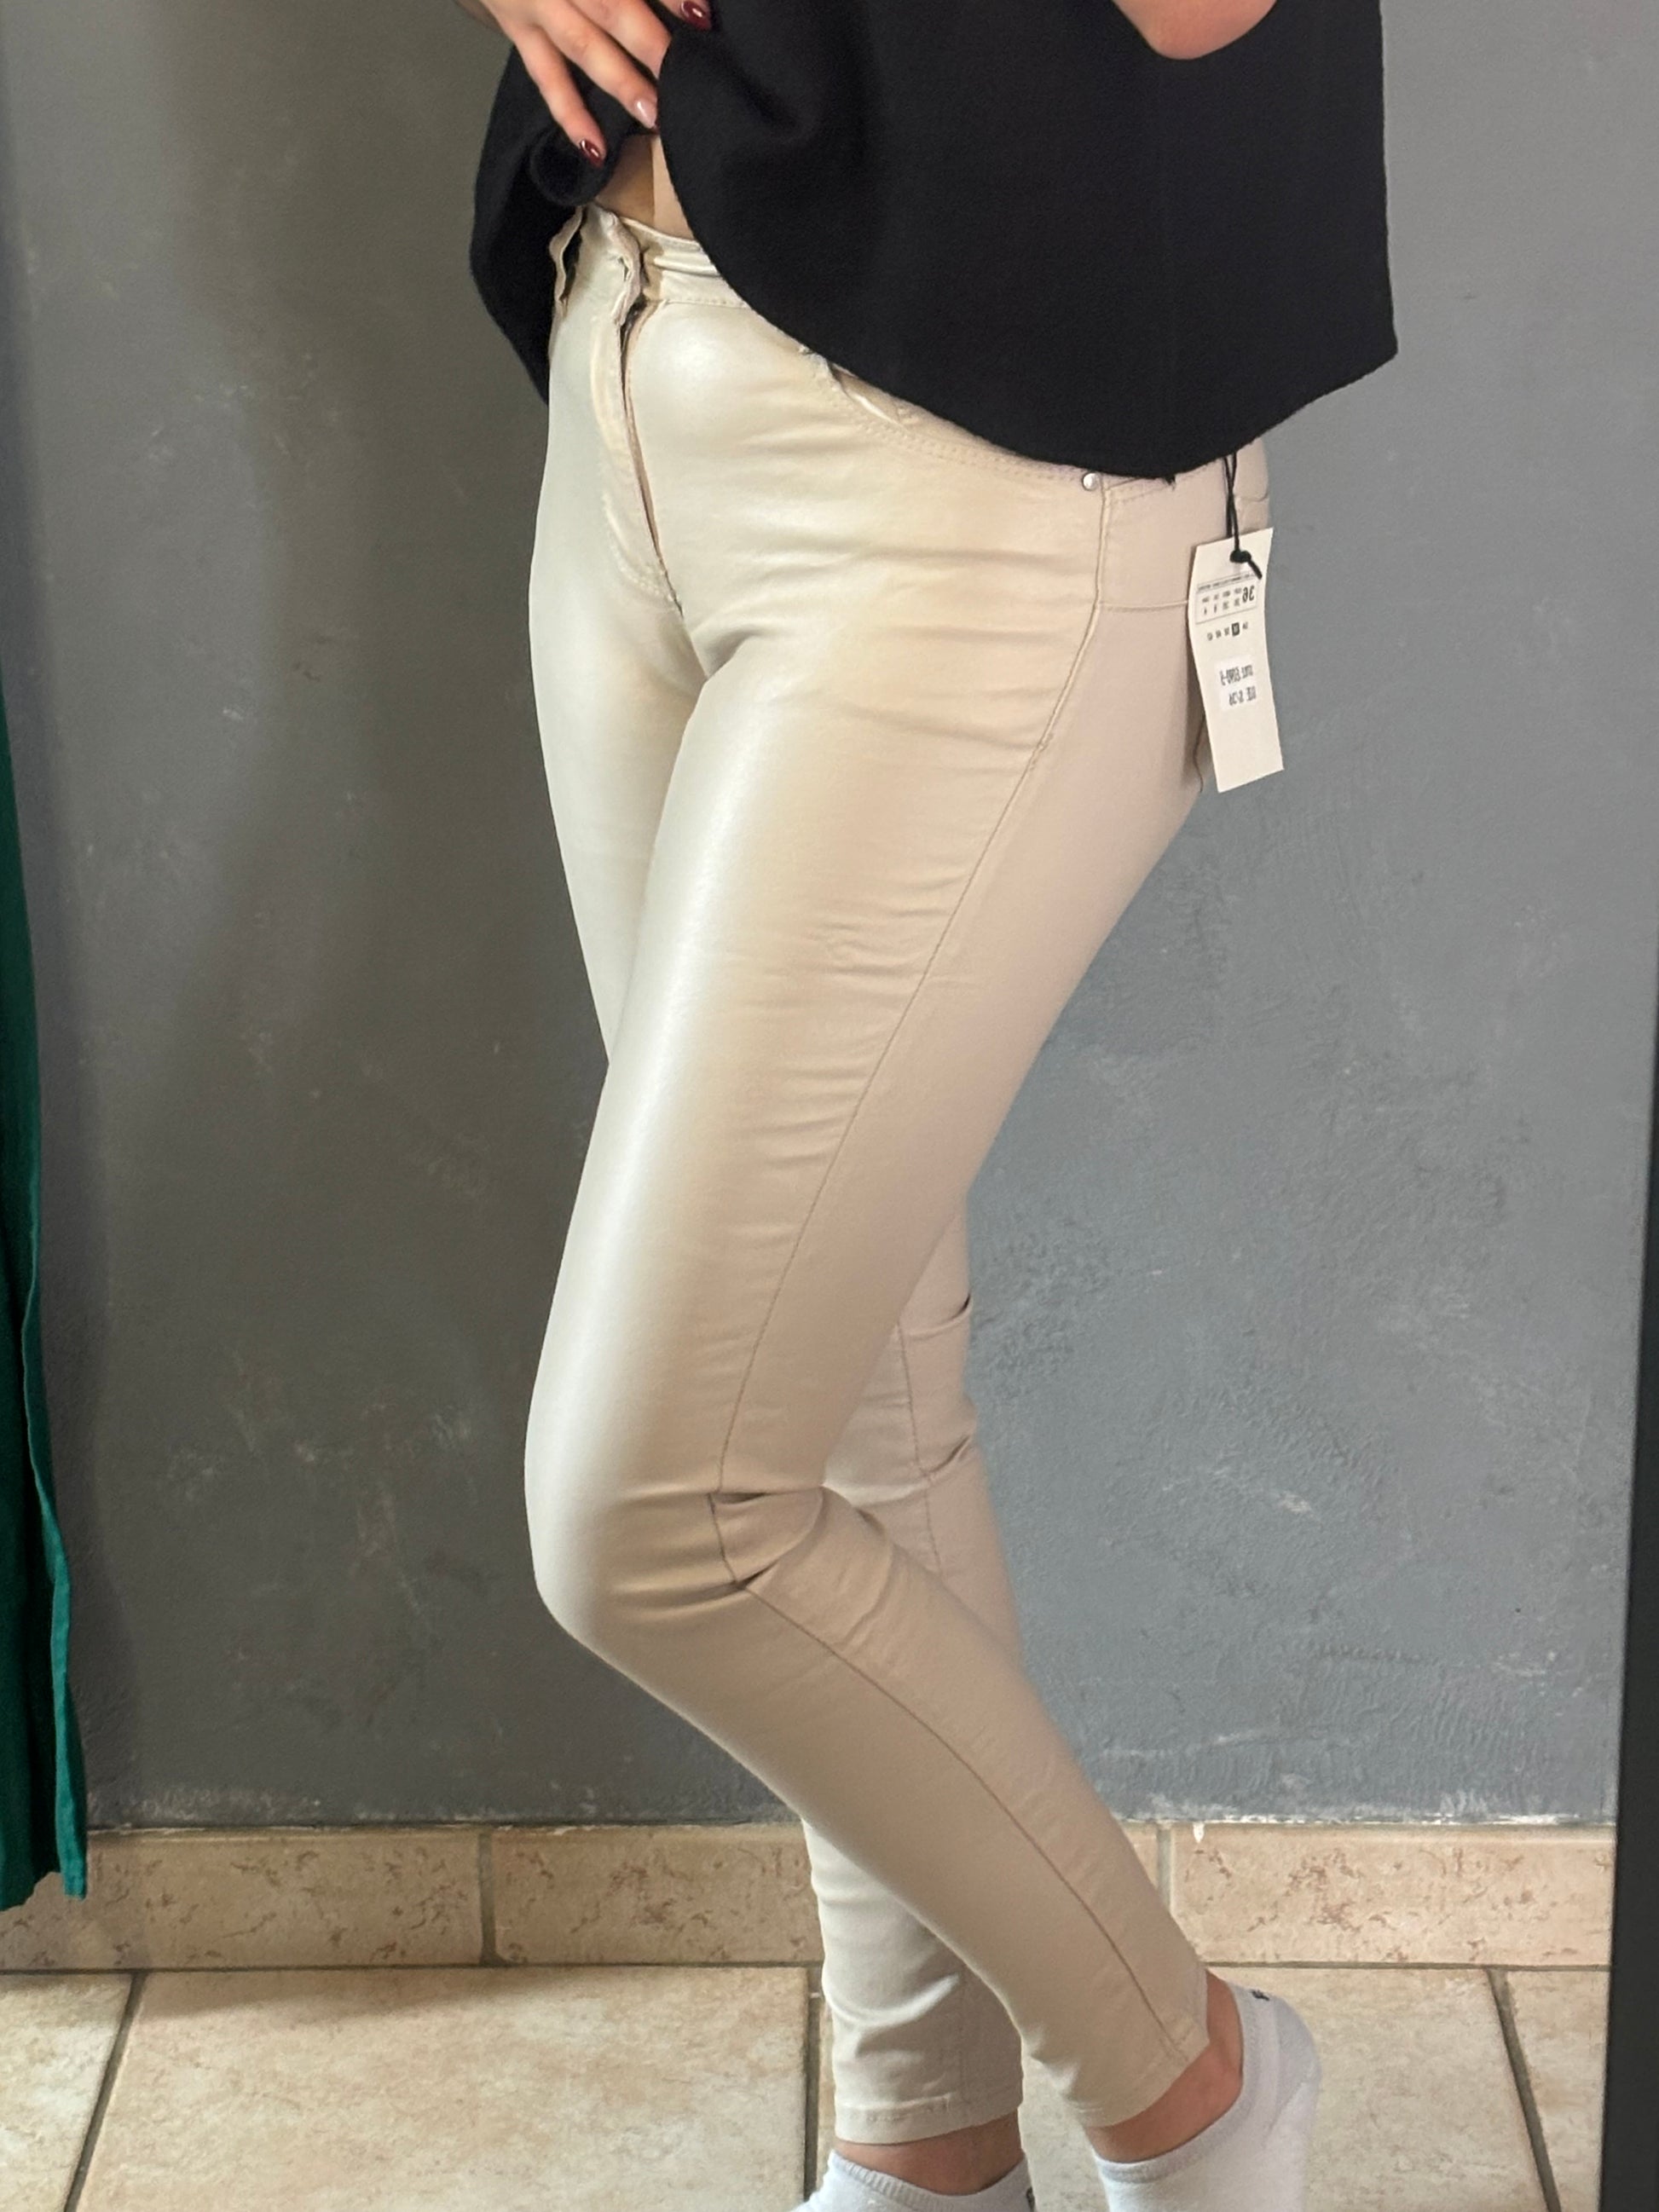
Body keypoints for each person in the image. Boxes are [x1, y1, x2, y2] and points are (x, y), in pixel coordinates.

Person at [452, 5, 1396, 2209]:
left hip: (973, 481)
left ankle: (1189, 2087)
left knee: (654, 1507)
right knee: (838, 1419)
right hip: (632, 347)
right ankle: (921, 2150)